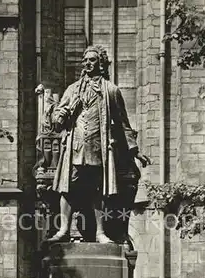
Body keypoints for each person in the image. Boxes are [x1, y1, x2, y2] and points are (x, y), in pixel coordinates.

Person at [48, 45, 149, 243]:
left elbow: (122, 124)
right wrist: (61, 115)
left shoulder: (111, 91)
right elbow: (57, 119)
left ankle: (100, 232)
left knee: (98, 189)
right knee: (67, 188)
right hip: (75, 147)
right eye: (85, 60)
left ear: (101, 63)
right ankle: (63, 230)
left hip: (98, 148)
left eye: (92, 60)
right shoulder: (72, 89)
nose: (87, 63)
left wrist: (135, 151)